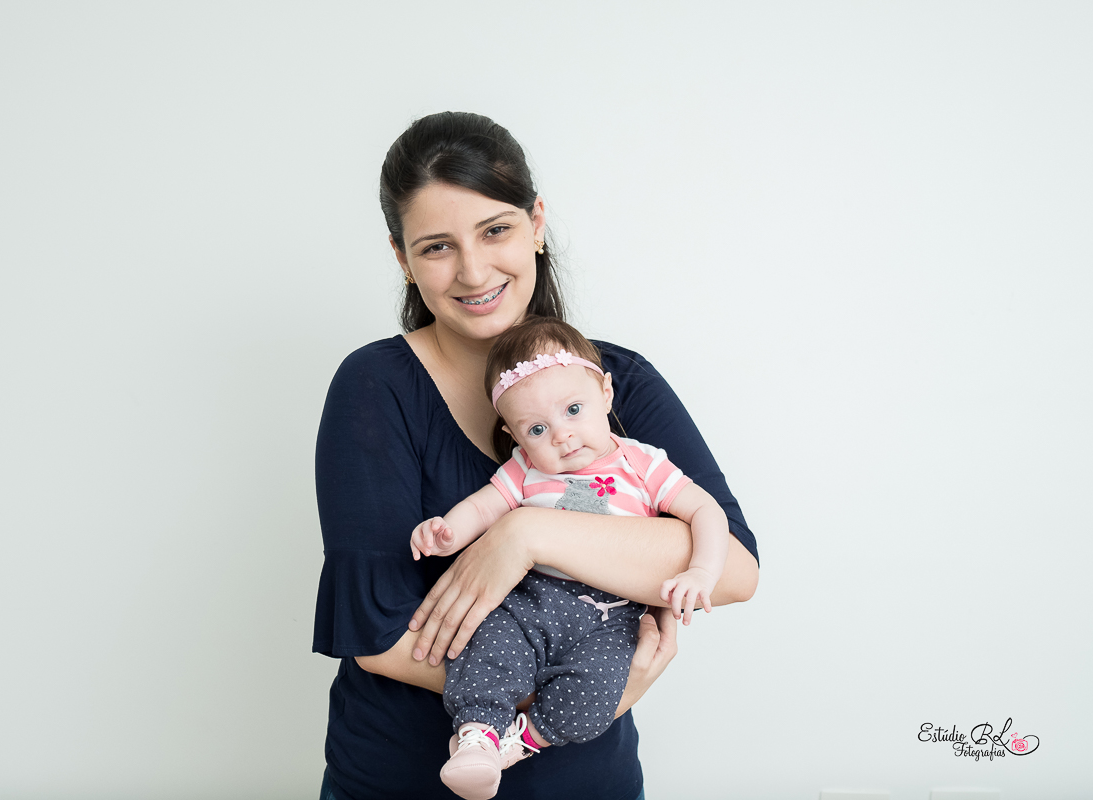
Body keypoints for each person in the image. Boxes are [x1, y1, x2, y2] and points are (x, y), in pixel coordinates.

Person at [313, 111, 759, 800]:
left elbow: (733, 570)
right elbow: (375, 633)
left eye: (495, 230)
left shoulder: (618, 380)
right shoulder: (376, 388)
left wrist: (530, 532)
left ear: (536, 223)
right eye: (436, 247)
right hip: (402, 784)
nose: (473, 270)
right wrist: (571, 697)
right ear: (402, 258)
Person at [411, 316, 730, 800]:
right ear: (515, 436)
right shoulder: (523, 469)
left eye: (573, 409)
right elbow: (483, 506)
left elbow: (705, 510)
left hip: (612, 613)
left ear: (605, 393)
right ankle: (476, 736)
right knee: (489, 650)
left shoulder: (641, 463)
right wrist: (446, 532)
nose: (561, 435)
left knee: (597, 690)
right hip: (532, 599)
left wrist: (702, 570)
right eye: (537, 428)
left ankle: (522, 741)